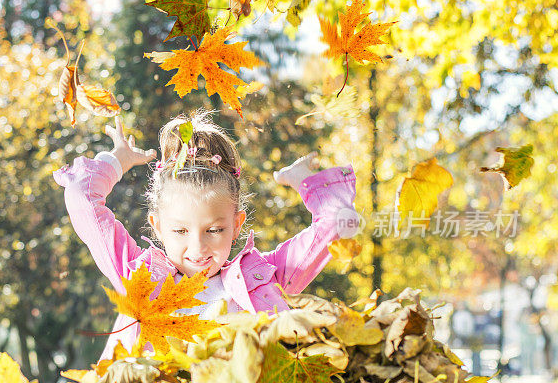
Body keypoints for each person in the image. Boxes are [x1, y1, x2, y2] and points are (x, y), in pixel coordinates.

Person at [54, 112, 363, 358]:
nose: (198, 247)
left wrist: (304, 181)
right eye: (180, 230)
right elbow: (81, 197)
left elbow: (339, 223)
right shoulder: (137, 277)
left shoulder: (268, 278)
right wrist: (116, 161)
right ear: (157, 226)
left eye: (215, 230)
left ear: (237, 224)